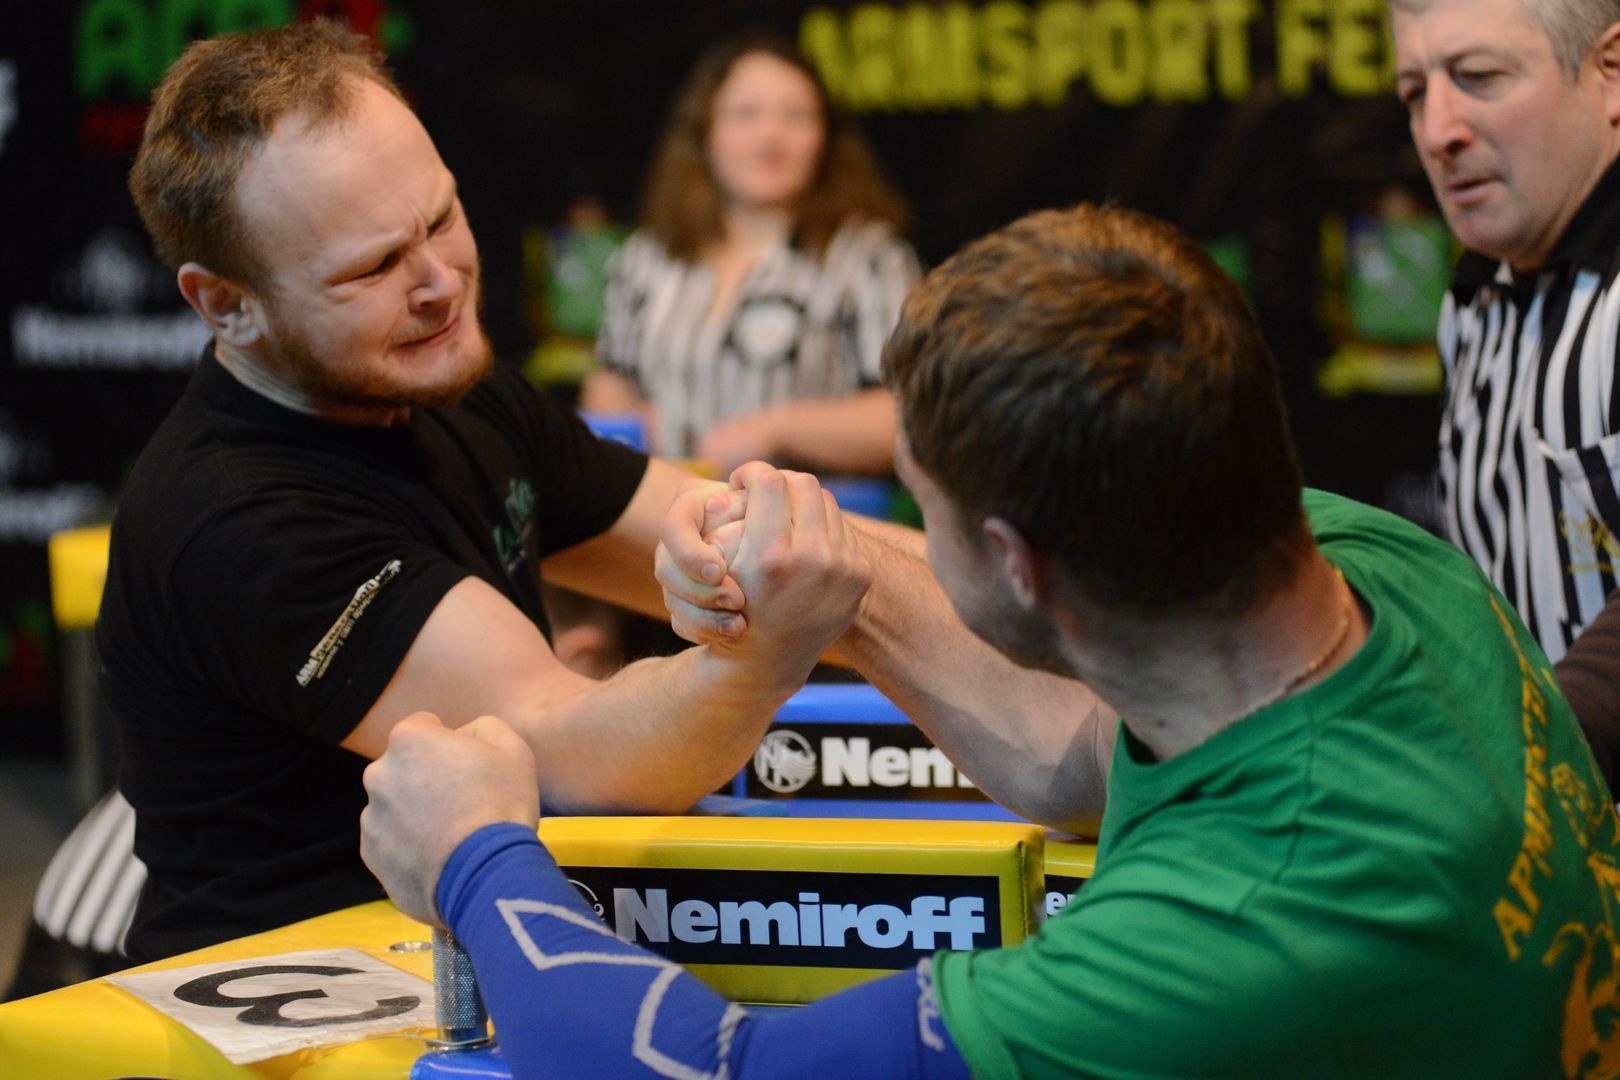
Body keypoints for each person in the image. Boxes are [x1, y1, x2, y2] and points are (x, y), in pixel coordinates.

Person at [362, 203, 1620, 1077]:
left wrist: (476, 856)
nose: (914, 536)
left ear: (1019, 562)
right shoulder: (1378, 568)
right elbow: (1071, 756)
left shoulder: (1232, 930)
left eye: (926, 512)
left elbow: (705, 1069)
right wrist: (841, 577)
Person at [96, 20, 873, 963]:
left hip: (452, 944)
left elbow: (752, 548)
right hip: (297, 993)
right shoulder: (236, 516)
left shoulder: (442, 380)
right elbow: (580, 755)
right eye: (373, 266)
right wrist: (769, 651)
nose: (441, 282)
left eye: (440, 218)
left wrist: (1019, 621)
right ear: (226, 303)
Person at [1391, 0, 1620, 786]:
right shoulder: (1475, 302)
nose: (1437, 131)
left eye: (1478, 77)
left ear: (1611, 73)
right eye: (1415, 92)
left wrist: (1518, 764)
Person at [581, 34, 921, 476]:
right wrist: (628, 425)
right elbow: (610, 383)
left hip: (813, 512)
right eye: (745, 114)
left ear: (826, 135)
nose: (769, 137)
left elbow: (910, 415)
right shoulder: (647, 257)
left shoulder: (869, 259)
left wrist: (779, 429)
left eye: (795, 115)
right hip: (666, 507)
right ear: (705, 130)